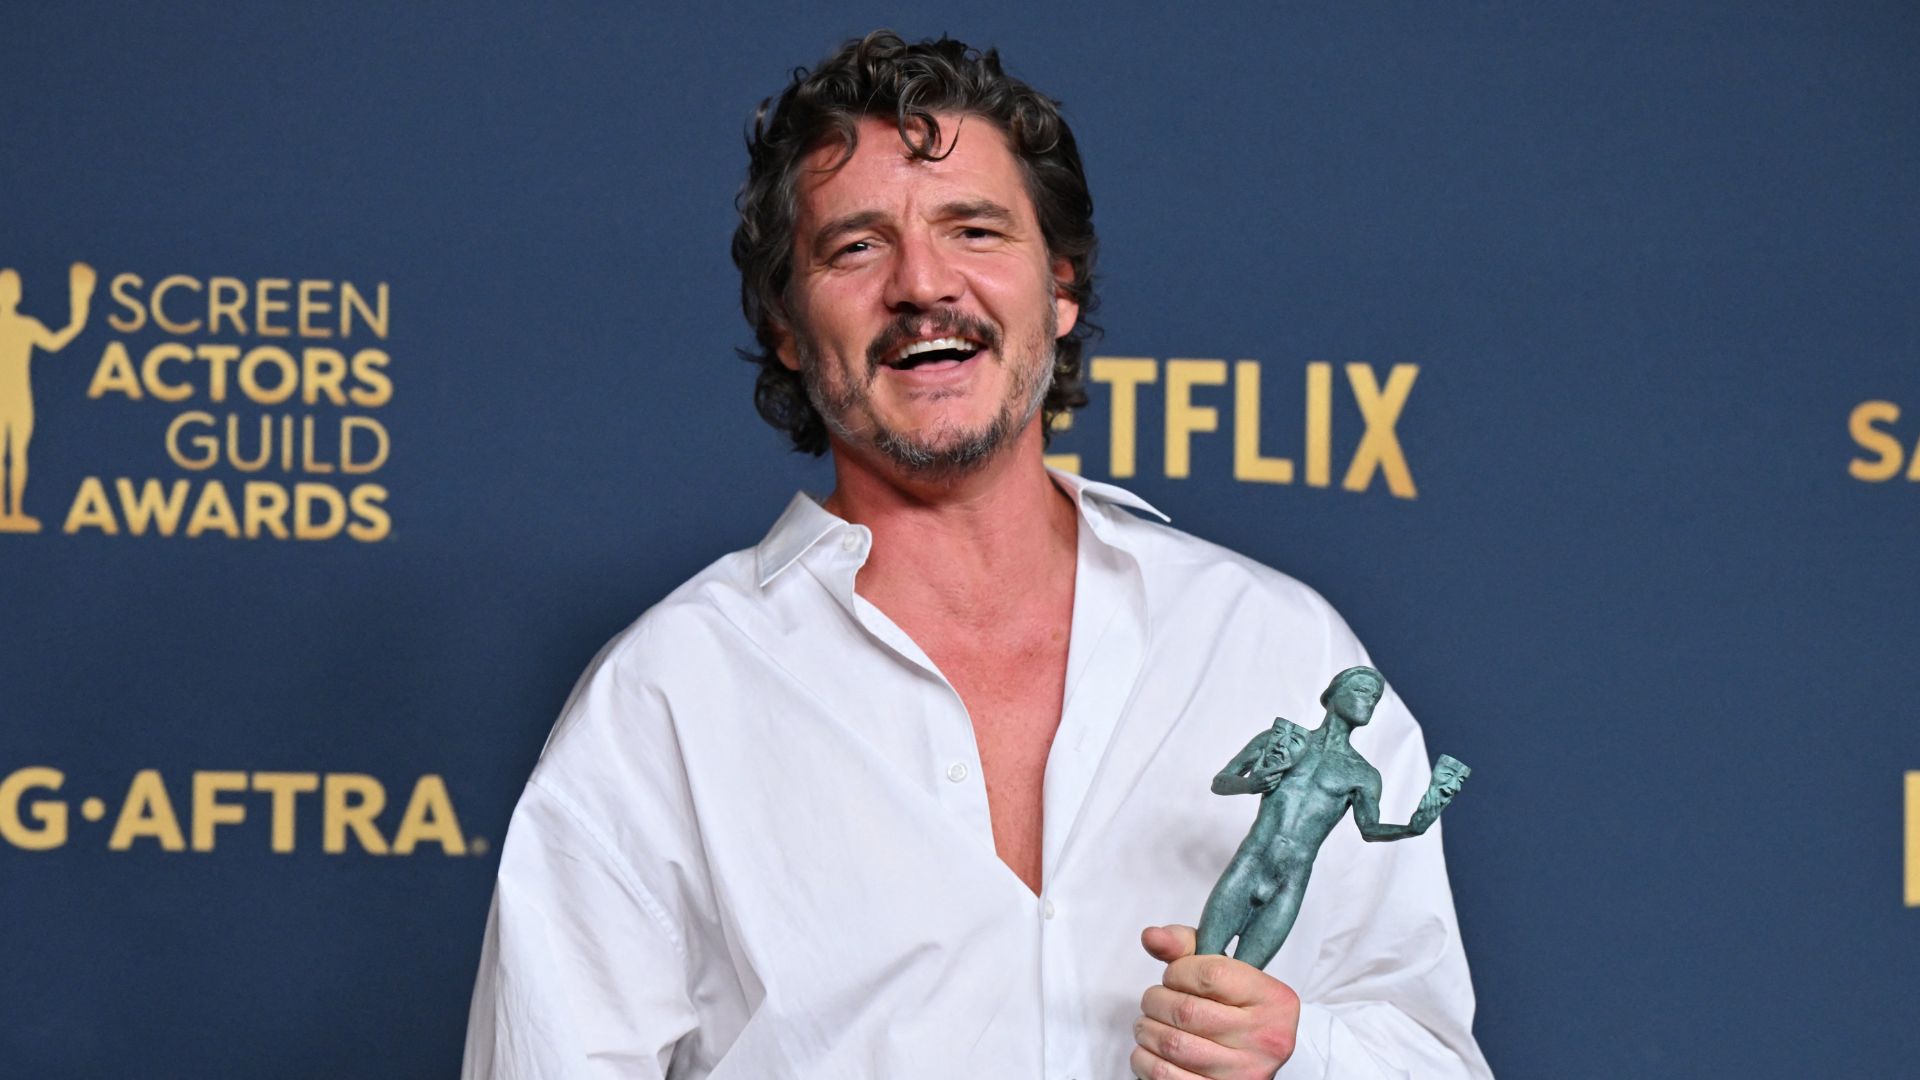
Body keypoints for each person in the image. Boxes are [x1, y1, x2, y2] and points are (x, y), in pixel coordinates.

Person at [464, 30, 1491, 1080]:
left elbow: (1430, 1058)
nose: (923, 283)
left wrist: (1300, 1054)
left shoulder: (1275, 645)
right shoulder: (667, 699)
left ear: (1061, 286)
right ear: (785, 324)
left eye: (975, 230)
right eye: (856, 247)